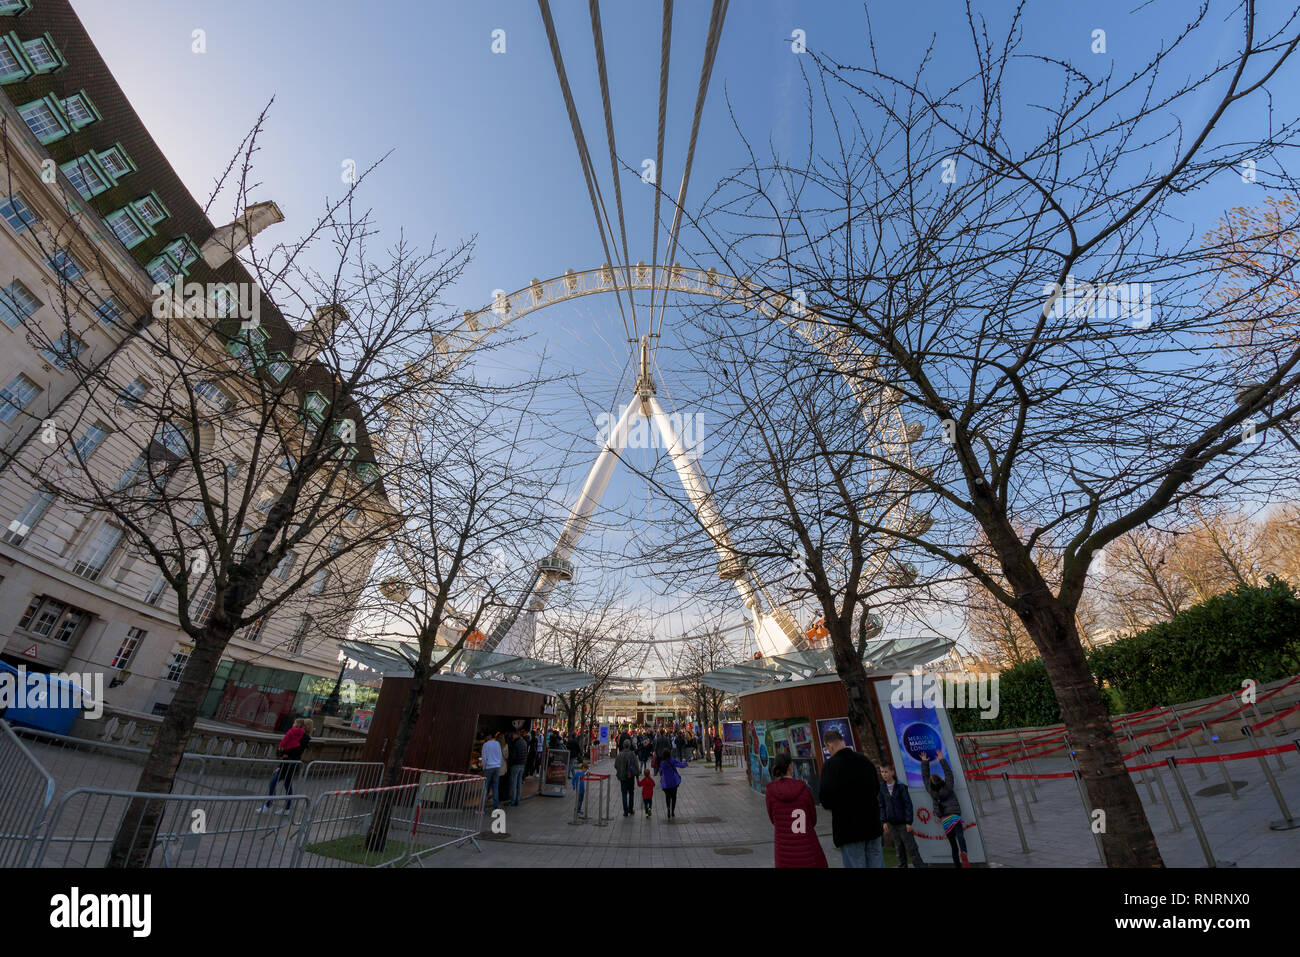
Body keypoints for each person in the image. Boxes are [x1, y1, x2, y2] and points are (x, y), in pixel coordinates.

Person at [817, 728, 883, 867]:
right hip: (872, 825)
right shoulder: (864, 760)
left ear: (830, 745)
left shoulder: (830, 766)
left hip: (848, 830)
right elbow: (877, 788)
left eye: (827, 748)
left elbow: (825, 800)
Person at [765, 753, 828, 868]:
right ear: (790, 767)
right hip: (808, 848)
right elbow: (813, 819)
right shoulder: (803, 788)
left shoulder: (770, 791)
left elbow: (773, 820)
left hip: (784, 852)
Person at [920, 750, 970, 867]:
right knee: (960, 836)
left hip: (945, 820)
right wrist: (942, 759)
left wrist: (924, 762)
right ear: (941, 780)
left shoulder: (931, 791)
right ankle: (964, 851)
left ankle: (957, 864)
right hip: (955, 816)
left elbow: (925, 777)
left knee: (953, 845)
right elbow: (948, 773)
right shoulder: (948, 787)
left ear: (931, 785)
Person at [879, 763, 926, 868]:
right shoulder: (882, 788)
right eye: (882, 772)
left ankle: (920, 865)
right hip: (892, 824)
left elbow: (908, 804)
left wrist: (909, 822)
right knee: (899, 849)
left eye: (886, 771)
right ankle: (902, 865)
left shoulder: (901, 787)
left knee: (911, 848)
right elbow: (881, 806)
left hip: (903, 824)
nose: (884, 774)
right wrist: (884, 821)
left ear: (892, 772)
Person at [260, 717, 311, 813]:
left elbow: (296, 751)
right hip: (288, 763)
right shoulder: (297, 735)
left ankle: (269, 804)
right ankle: (287, 808)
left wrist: (286, 752)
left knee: (273, 782)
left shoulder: (304, 737)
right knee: (287, 785)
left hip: (290, 764)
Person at [657, 749, 688, 819]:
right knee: (674, 797)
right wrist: (685, 763)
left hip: (666, 783)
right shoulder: (672, 760)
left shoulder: (662, 763)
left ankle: (668, 808)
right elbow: (680, 765)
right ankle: (672, 811)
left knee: (667, 797)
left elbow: (660, 771)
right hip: (673, 782)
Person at [614, 739, 640, 816]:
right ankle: (631, 809)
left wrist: (620, 771)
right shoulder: (632, 754)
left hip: (622, 778)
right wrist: (637, 776)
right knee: (631, 793)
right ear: (629, 745)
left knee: (624, 794)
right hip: (631, 776)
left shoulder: (619, 755)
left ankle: (625, 811)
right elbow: (636, 766)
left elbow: (615, 765)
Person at [481, 731, 504, 810]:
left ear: (487, 737)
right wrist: (499, 765)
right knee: (495, 787)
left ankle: (482, 808)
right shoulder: (497, 744)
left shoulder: (485, 745)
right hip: (497, 767)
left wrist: (483, 768)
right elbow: (500, 755)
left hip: (488, 767)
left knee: (486, 787)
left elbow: (484, 758)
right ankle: (496, 806)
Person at [508, 729, 529, 806]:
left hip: (516, 764)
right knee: (519, 782)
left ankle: (512, 800)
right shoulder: (524, 742)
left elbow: (513, 755)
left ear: (515, 735)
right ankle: (518, 799)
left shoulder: (515, 743)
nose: (512, 736)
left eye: (513, 735)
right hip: (522, 764)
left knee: (514, 782)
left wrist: (511, 763)